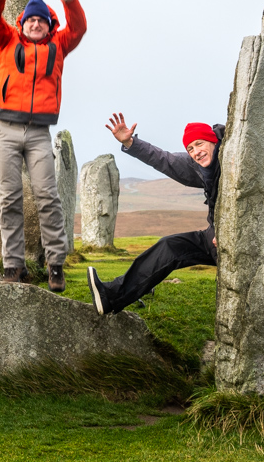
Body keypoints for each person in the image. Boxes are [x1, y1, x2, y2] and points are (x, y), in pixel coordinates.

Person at [0, 0, 86, 291]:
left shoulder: (59, 46)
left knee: (47, 196)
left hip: (40, 133)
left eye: (42, 21)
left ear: (49, 24)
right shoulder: (6, 41)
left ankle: (56, 264)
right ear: (23, 23)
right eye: (31, 20)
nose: (36, 24)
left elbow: (79, 28)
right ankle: (13, 264)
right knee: (9, 198)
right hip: (6, 130)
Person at [86, 115, 221, 314]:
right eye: (190, 149)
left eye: (199, 144)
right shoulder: (199, 165)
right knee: (169, 246)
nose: (196, 152)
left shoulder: (235, 159)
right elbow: (163, 159)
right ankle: (111, 297)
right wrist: (130, 143)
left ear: (213, 141)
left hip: (232, 240)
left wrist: (225, 232)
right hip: (214, 237)